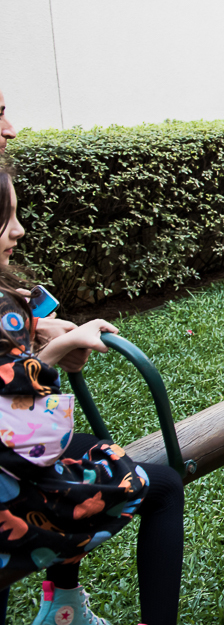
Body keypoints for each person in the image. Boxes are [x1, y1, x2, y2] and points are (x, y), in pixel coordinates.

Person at [0, 168, 185, 625]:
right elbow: (35, 441)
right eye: (6, 218)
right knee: (161, 486)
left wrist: (36, 333)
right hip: (12, 494)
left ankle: (64, 606)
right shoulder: (5, 310)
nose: (19, 230)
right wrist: (57, 349)